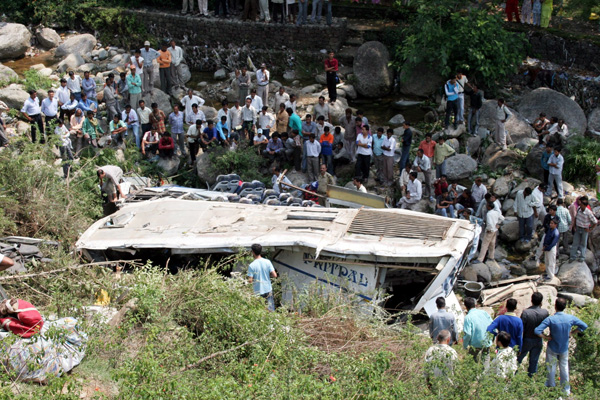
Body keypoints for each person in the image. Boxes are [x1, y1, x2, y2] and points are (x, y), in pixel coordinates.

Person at [535, 298, 588, 395]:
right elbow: (584, 326)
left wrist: (545, 337)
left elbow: (537, 330)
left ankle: (550, 387)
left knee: (551, 368)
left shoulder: (550, 319)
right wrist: (573, 332)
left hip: (552, 347)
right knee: (564, 369)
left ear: (555, 307)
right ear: (565, 307)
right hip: (564, 348)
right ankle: (566, 390)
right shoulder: (570, 318)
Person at [517, 292, 549, 377]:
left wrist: (519, 344)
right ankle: (530, 380)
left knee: (518, 360)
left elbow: (521, 329)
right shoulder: (545, 313)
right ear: (541, 302)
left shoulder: (526, 313)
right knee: (534, 361)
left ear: (531, 300)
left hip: (527, 339)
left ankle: (512, 376)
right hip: (538, 339)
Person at [247, 243, 277, 312]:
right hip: (268, 289)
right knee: (271, 310)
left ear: (253, 252)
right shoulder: (267, 262)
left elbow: (250, 280)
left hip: (258, 291)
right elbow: (274, 275)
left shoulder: (252, 265)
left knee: (260, 311)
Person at [462, 297, 493, 364]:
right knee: (485, 360)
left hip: (475, 343)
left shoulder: (468, 317)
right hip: (486, 341)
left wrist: (465, 345)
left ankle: (474, 373)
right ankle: (485, 373)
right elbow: (492, 325)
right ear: (475, 304)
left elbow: (468, 334)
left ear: (465, 307)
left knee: (471, 360)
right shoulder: (484, 313)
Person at [570, 195, 597, 262]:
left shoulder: (588, 213)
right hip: (578, 228)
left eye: (581, 204)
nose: (580, 205)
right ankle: (572, 257)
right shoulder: (579, 208)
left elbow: (595, 222)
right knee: (575, 243)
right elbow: (576, 217)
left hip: (584, 230)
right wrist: (574, 226)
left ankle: (582, 257)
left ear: (585, 205)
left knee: (583, 244)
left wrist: (590, 229)